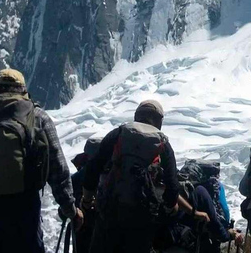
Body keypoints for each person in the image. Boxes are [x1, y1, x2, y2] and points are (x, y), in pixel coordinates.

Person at [81, 100, 209, 253]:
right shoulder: (162, 143)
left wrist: (87, 200)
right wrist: (169, 207)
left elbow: (93, 168)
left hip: (110, 210)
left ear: (136, 116)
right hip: (143, 218)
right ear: (159, 121)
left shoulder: (119, 133)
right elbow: (172, 186)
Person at [0, 69, 84, 253]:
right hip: (24, 208)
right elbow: (58, 169)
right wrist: (70, 209)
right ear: (23, 90)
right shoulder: (36, 116)